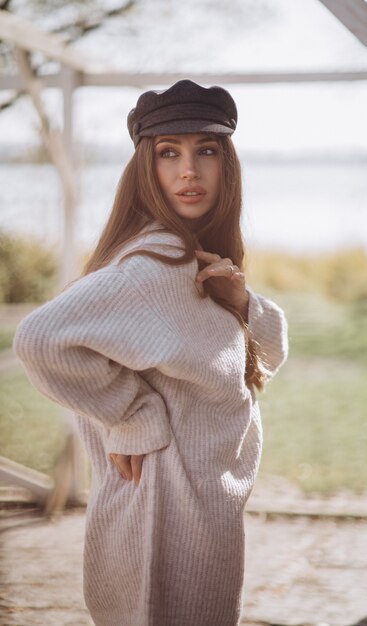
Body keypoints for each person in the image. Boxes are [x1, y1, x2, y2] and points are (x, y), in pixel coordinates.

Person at [13, 79, 288, 626]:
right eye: (170, 153)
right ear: (147, 168)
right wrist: (132, 415)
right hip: (160, 516)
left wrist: (242, 302)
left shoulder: (193, 259)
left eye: (206, 151)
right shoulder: (150, 264)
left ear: (226, 165)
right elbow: (39, 339)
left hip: (201, 514)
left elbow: (270, 352)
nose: (190, 170)